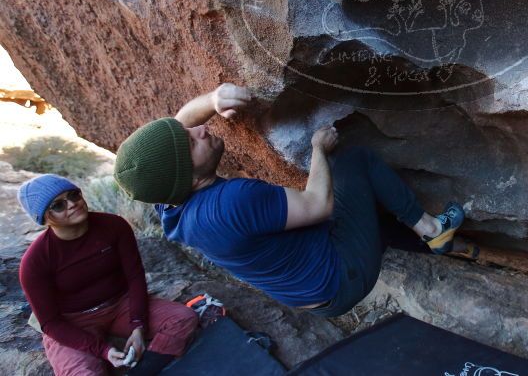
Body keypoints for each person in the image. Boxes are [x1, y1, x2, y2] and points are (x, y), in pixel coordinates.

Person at [113, 83, 468, 317]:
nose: (200, 129)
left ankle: (446, 246)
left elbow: (178, 127)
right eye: (192, 143)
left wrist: (213, 100)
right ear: (187, 178)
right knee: (353, 165)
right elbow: (318, 204)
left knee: (363, 208)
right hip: (342, 280)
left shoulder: (172, 201)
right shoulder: (232, 202)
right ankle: (433, 229)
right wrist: (318, 149)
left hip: (316, 293)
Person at [17, 174, 198, 375]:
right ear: (44, 218)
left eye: (74, 195)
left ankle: (143, 371)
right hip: (73, 321)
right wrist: (104, 350)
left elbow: (135, 276)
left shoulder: (114, 226)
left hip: (120, 304)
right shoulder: (35, 261)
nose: (72, 204)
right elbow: (50, 323)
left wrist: (138, 326)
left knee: (183, 319)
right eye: (58, 205)